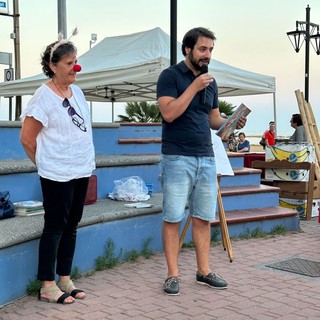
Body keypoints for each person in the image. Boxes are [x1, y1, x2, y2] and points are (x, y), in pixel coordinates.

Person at [156, 27, 246, 296]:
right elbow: (169, 113)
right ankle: (173, 275)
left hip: (206, 157)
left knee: (204, 218)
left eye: (210, 50)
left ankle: (203, 271)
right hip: (176, 157)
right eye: (202, 49)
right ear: (188, 49)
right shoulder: (170, 76)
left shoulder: (211, 82)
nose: (207, 55)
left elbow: (212, 120)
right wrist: (194, 87)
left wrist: (233, 122)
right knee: (173, 217)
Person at [20, 35, 95, 304]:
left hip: (80, 169)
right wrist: (46, 164)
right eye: (69, 63)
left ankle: (64, 277)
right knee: (54, 227)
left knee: (72, 225)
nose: (76, 68)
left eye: (76, 62)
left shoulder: (78, 93)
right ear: (53, 66)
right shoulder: (43, 97)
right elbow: (27, 139)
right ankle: (47, 285)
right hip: (56, 174)